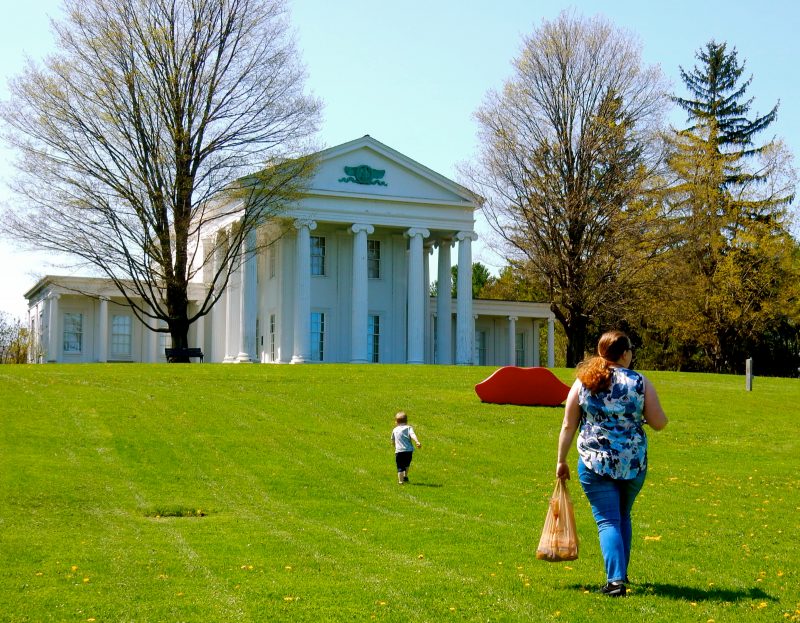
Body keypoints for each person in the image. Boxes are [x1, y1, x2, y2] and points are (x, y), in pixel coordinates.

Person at [556, 330, 668, 597]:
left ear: (600, 351)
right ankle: (621, 574)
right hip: (633, 464)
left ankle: (615, 581)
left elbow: (569, 424)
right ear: (626, 354)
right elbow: (659, 422)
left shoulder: (584, 381)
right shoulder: (640, 382)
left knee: (608, 520)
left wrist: (561, 460)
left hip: (594, 463)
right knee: (622, 516)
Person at [391, 411, 421, 485]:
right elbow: (412, 435)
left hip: (399, 451)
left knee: (400, 466)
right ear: (406, 421)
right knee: (407, 464)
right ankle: (405, 476)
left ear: (396, 422)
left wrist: (394, 445)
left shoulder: (395, 429)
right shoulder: (408, 428)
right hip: (408, 450)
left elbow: (392, 439)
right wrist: (417, 441)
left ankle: (401, 481)